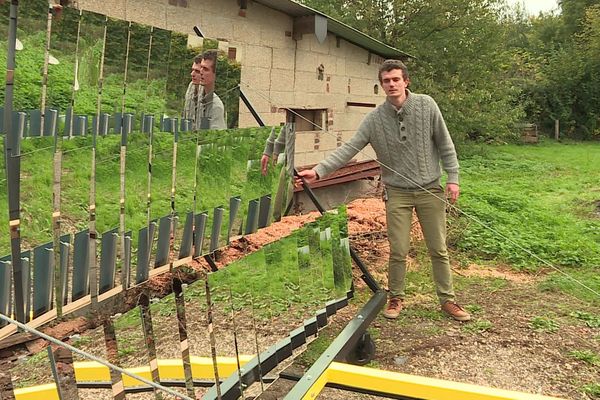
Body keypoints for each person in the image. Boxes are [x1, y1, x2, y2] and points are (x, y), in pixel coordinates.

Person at [296, 59, 470, 322]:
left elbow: (446, 144)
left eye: (396, 79)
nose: (391, 84)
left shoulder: (427, 105)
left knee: (438, 248)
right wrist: (318, 170)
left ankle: (448, 300)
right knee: (398, 249)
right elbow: (349, 148)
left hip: (430, 188)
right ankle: (396, 297)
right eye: (386, 81)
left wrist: (453, 178)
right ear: (382, 85)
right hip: (397, 192)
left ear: (406, 81)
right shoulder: (374, 119)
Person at [183, 50, 226, 130]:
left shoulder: (216, 107)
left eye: (205, 69)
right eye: (201, 68)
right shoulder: (191, 86)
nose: (192, 74)